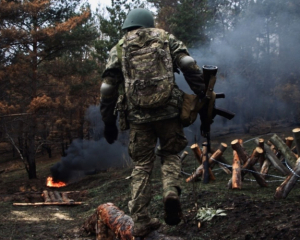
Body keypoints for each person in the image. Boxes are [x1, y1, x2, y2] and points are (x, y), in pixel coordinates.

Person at [100, 8, 206, 238]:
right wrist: (201, 91)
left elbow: (107, 86)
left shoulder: (119, 47)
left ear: (128, 25)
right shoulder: (165, 38)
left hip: (138, 117)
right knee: (170, 155)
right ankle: (170, 192)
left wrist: (107, 121)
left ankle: (140, 220)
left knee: (142, 165)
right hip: (169, 112)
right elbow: (187, 63)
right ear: (148, 23)